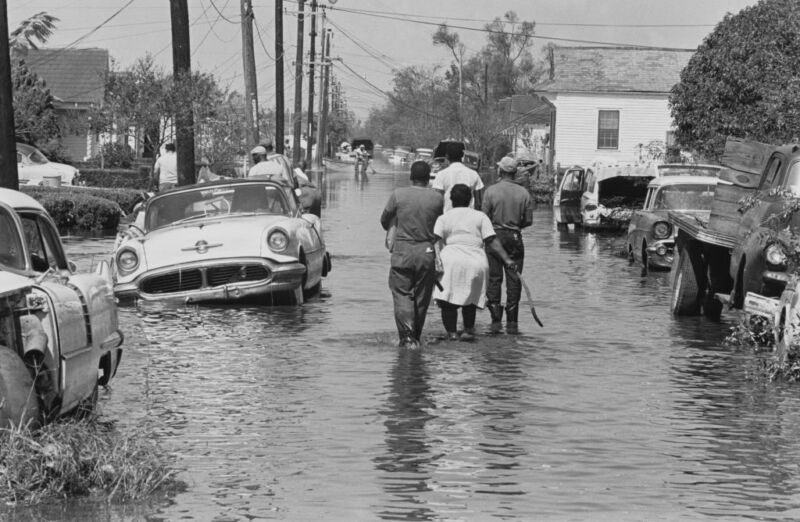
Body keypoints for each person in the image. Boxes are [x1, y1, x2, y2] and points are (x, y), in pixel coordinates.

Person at [433, 183, 516, 341]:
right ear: (470, 199)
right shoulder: (480, 216)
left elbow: (433, 240)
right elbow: (492, 240)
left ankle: (451, 334)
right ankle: (467, 332)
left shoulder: (443, 217)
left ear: (450, 200)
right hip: (476, 261)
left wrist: (432, 262)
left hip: (451, 261)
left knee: (447, 302)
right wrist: (507, 260)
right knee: (470, 301)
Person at [380, 160, 444, 349]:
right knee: (422, 297)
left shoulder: (398, 194)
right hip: (427, 252)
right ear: (428, 178)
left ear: (411, 177)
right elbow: (441, 224)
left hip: (402, 251)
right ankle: (416, 336)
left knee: (402, 294)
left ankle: (407, 338)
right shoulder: (438, 198)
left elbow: (384, 220)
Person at [483, 156, 534, 334]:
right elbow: (528, 221)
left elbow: (483, 218)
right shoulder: (524, 193)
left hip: (493, 236)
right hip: (514, 237)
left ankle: (495, 321)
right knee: (514, 280)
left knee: (494, 278)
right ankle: (512, 323)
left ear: (501, 171)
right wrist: (515, 226)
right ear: (514, 173)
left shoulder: (491, 191)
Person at [432, 142, 484, 212]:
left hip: (448, 218)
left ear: (447, 156)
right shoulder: (474, 174)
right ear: (463, 155)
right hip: (469, 219)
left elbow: (437, 201)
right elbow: (478, 203)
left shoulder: (441, 174)